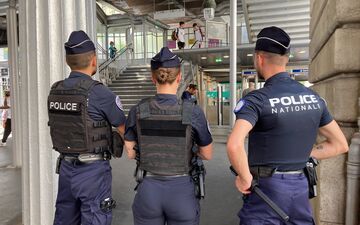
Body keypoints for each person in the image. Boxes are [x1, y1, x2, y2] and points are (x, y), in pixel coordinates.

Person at [227, 26, 349, 225]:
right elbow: (340, 144)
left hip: (266, 191)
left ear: (259, 58)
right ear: (286, 59)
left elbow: (234, 144)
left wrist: (244, 177)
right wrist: (304, 155)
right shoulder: (313, 98)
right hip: (300, 188)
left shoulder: (257, 100)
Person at [124, 47, 213, 225]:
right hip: (182, 192)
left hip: (148, 191)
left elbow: (130, 153)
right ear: (179, 78)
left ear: (153, 77)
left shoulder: (138, 110)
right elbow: (207, 154)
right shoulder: (192, 112)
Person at [47, 30, 126, 225]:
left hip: (65, 169)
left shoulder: (56, 91)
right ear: (93, 60)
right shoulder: (100, 93)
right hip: (93, 173)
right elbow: (124, 128)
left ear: (68, 61)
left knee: (64, 219)